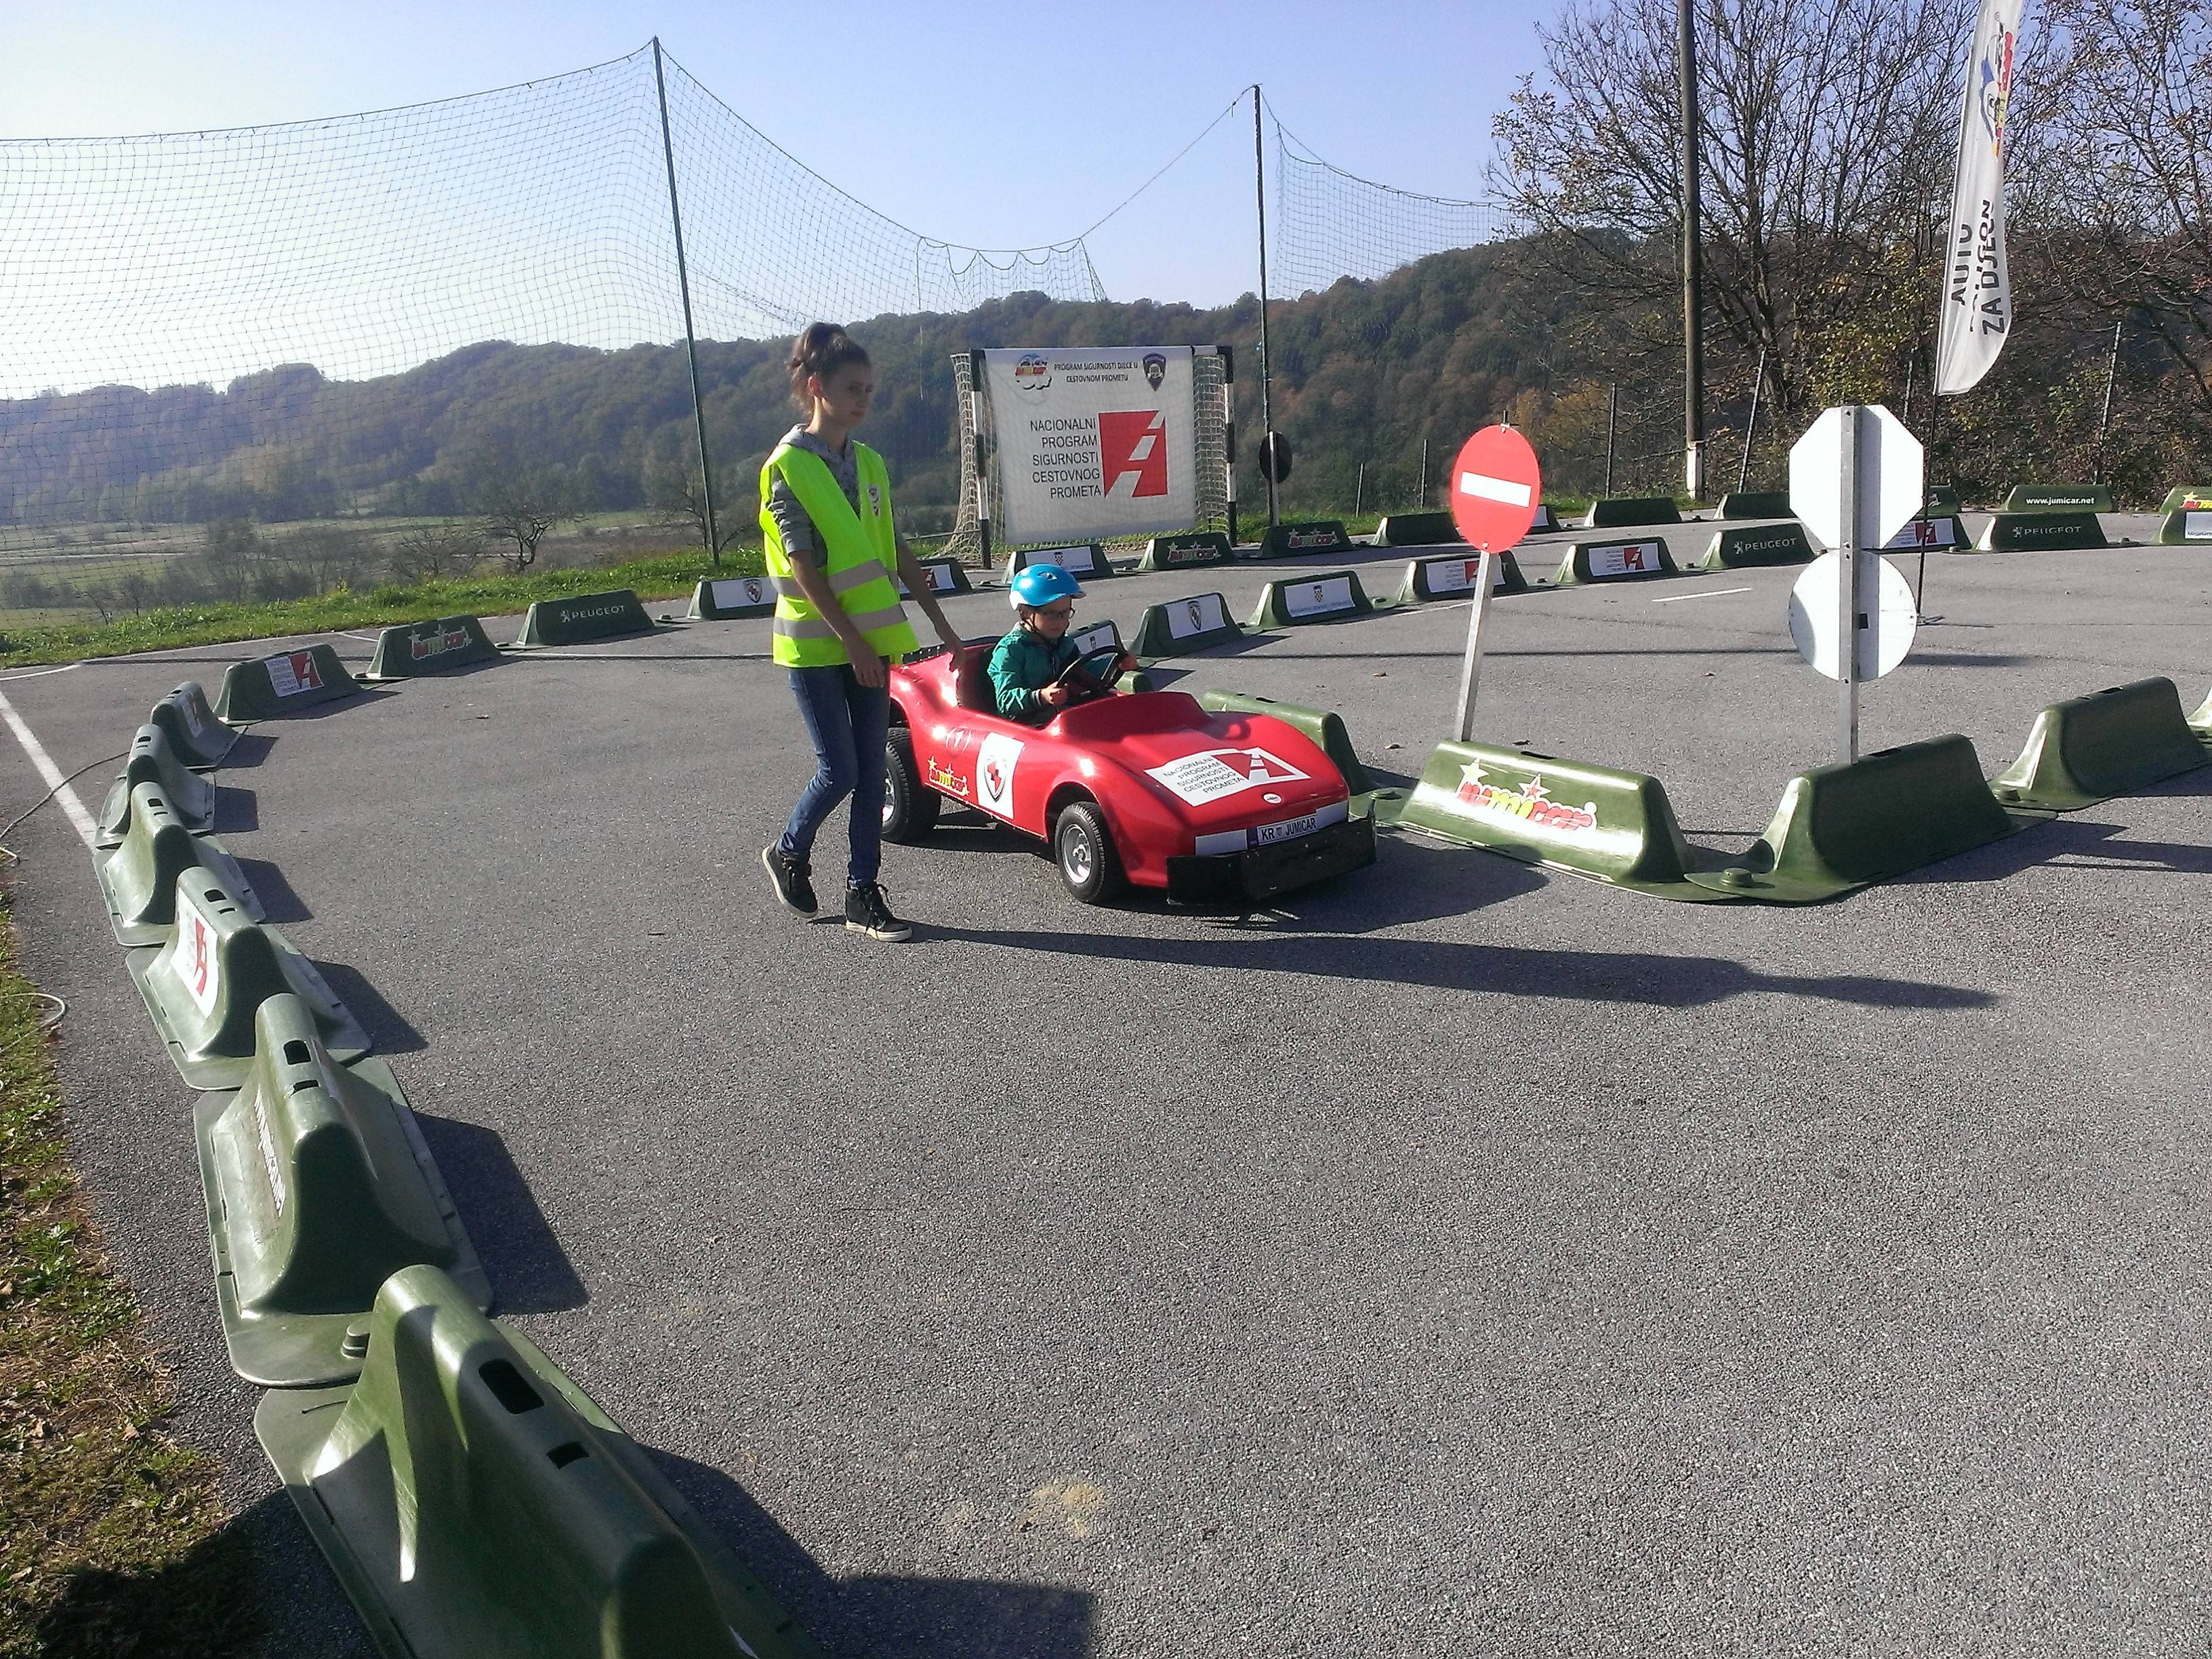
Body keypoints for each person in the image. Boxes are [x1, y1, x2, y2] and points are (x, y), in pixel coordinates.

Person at [759, 323, 962, 942]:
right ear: (816, 388)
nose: (863, 399)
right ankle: (789, 850)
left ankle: (861, 893)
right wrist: (851, 642)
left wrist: (941, 623)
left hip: (871, 643)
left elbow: (893, 548)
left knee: (873, 772)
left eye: (869, 389)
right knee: (841, 770)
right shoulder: (788, 467)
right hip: (816, 647)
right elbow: (802, 565)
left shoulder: (869, 463)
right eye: (852, 388)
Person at [988, 563, 1133, 724]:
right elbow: (1005, 701)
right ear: (1025, 612)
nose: (1061, 622)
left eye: (1065, 613)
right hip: (1027, 724)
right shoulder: (1011, 650)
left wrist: (1116, 664)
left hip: (1061, 716)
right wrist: (1041, 696)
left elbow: (1084, 670)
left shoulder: (1062, 643)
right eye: (1051, 614)